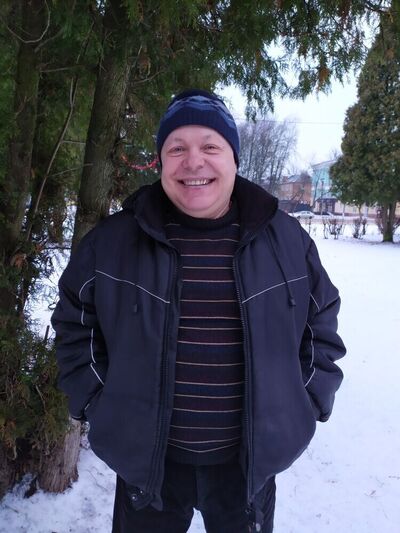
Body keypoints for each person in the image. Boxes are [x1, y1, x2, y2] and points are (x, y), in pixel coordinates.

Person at [51, 89, 346, 533]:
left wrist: (306, 400)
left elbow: (321, 325)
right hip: (148, 470)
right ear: (161, 162)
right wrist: (98, 404)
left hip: (245, 471)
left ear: (234, 159)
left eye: (210, 146)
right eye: (177, 149)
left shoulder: (286, 242)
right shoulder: (112, 244)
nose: (193, 162)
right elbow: (75, 325)